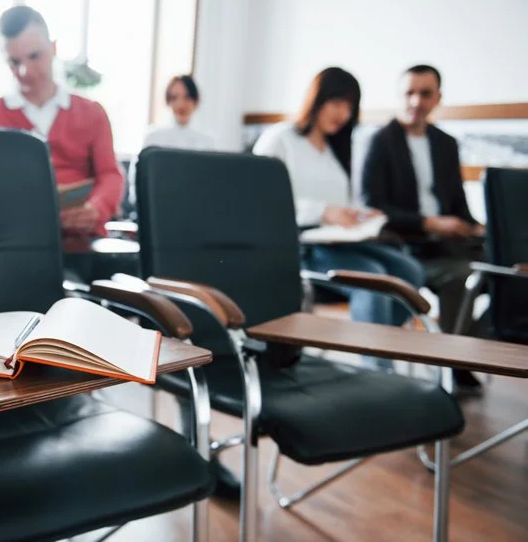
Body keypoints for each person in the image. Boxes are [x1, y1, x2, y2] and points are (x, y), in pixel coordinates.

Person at [253, 67, 425, 371]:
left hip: (336, 242)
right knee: (371, 279)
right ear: (317, 99)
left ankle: (375, 339)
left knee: (409, 270)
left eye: (349, 106)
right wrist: (322, 211)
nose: (343, 113)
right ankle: (378, 371)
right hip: (298, 247)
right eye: (337, 102)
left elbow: (340, 204)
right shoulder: (281, 139)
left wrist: (357, 214)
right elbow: (259, 203)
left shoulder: (337, 151)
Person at [360, 64, 486, 394]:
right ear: (400, 96)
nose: (416, 101)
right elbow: (375, 207)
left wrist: (475, 227)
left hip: (450, 242)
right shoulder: (381, 141)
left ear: (437, 98)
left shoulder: (445, 144)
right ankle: (455, 360)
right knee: (463, 275)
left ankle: (469, 349)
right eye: (409, 93)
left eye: (425, 93)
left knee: (501, 265)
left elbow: (457, 202)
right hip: (406, 246)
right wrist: (428, 223)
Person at [0, 5, 124, 261]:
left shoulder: (93, 113)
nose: (25, 71)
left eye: (34, 57)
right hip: (12, 250)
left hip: (81, 247)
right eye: (14, 62)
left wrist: (95, 209)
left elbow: (110, 175)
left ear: (53, 49)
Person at [128, 75, 215, 210]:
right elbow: (138, 179)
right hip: (159, 206)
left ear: (195, 100)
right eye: (174, 98)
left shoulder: (207, 140)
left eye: (187, 97)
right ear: (168, 101)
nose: (180, 104)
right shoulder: (153, 137)